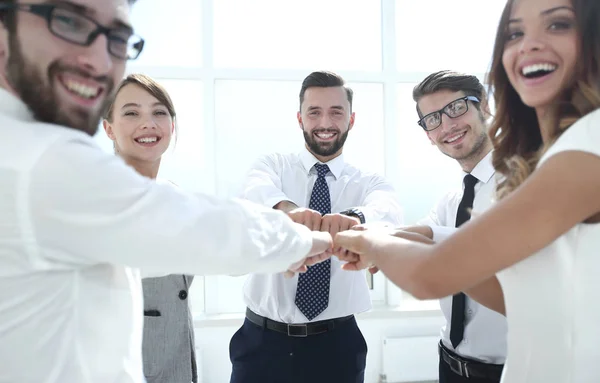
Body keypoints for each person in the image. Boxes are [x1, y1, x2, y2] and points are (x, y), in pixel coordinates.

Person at [0, 1, 333, 382]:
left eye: (118, 38)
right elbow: (201, 232)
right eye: (69, 22)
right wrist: (308, 239)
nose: (98, 59)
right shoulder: (43, 161)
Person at [334, 0, 600, 381]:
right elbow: (507, 295)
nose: (529, 44)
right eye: (514, 33)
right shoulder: (473, 188)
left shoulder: (583, 149)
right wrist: (369, 235)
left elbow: (433, 272)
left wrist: (373, 244)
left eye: (557, 24)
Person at [229, 70, 403, 383]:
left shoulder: (369, 181)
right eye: (314, 112)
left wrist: (353, 219)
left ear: (351, 120)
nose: (325, 123)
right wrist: (289, 211)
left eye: (336, 112)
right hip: (261, 343)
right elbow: (254, 192)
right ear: (300, 119)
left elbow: (388, 211)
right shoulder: (274, 166)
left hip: (337, 346)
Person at [407, 70, 507, 383]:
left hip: (512, 372)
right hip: (451, 365)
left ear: (485, 107)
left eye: (456, 108)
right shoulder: (451, 201)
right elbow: (417, 237)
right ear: (427, 134)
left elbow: (494, 250)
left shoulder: (526, 182)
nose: (447, 125)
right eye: (433, 119)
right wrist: (362, 236)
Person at [102, 73, 198, 383]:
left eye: (159, 112)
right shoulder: (96, 197)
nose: (148, 123)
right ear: (108, 127)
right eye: (131, 113)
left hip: (175, 362)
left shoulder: (176, 195)